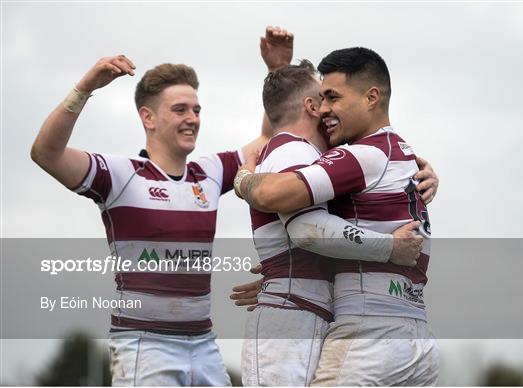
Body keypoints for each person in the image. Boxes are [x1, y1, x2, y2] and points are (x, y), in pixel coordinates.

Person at [31, 53, 272, 385]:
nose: (192, 118)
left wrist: (277, 70)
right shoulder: (120, 174)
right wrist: (86, 87)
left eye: (197, 110)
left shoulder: (211, 172)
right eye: (180, 110)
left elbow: (268, 141)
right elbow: (46, 153)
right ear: (148, 117)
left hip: (203, 343)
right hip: (143, 345)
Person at [235, 47, 440, 386]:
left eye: (332, 97)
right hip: (417, 337)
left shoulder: (360, 155)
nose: (324, 109)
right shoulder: (401, 153)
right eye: (320, 98)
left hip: (369, 336)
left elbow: (281, 202)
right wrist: (291, 272)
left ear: (371, 97)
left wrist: (243, 179)